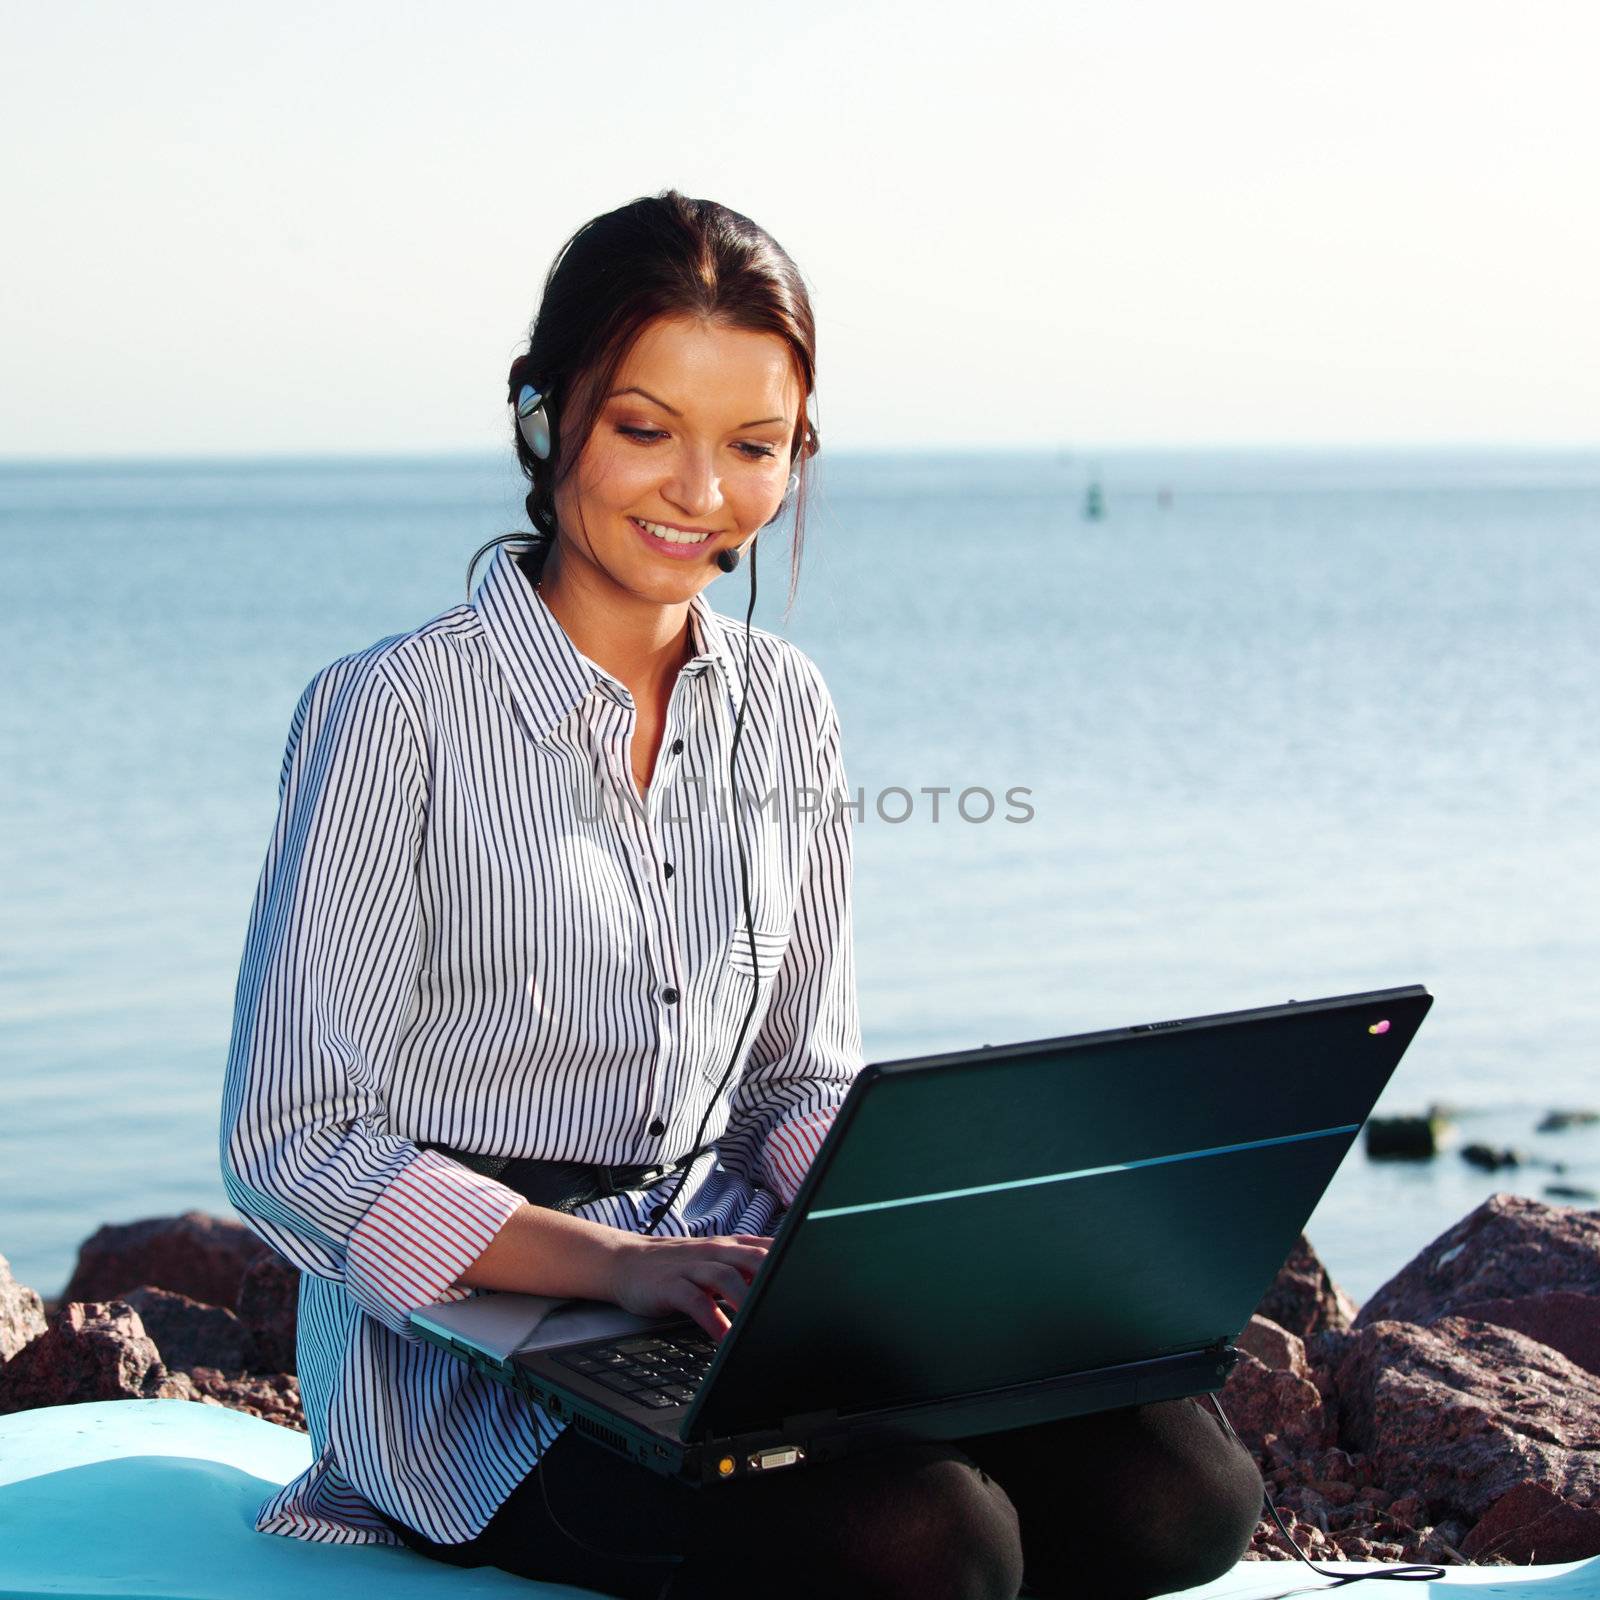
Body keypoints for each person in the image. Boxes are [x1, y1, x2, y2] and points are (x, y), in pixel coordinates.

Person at [220, 190, 1264, 1599]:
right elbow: (291, 1143)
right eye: (646, 428)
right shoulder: (392, 712)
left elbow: (789, 1082)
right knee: (925, 1545)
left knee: (1180, 1495)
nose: (699, 495)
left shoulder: (788, 707)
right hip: (481, 1350)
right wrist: (608, 1269)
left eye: (753, 446)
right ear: (544, 419)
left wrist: (928, 1245)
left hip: (732, 1291)